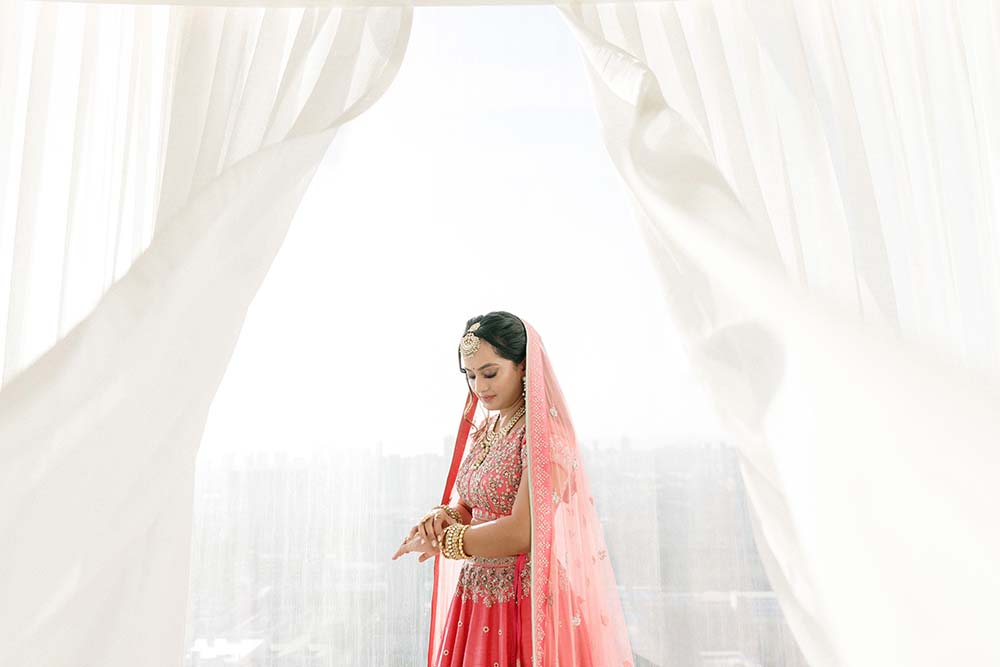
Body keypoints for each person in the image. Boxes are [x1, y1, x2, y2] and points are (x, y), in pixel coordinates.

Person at [391, 312, 634, 667]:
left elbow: (524, 531)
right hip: (476, 596)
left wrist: (446, 541)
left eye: (490, 373)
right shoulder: (487, 429)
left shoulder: (545, 437)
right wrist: (441, 519)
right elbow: (471, 505)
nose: (479, 387)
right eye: (470, 375)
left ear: (522, 366)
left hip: (525, 598)